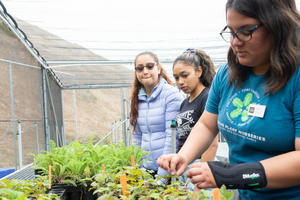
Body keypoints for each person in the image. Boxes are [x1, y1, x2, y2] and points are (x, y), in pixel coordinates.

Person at [157, 0, 300, 199]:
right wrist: (183, 156)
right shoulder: (227, 74)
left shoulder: (296, 78)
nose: (235, 42)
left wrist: (231, 174)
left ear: (278, 26)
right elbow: (207, 124)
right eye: (231, 32)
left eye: (246, 31)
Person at [130, 51, 183, 178]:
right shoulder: (136, 99)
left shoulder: (171, 95)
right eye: (140, 68)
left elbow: (172, 137)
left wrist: (162, 175)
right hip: (145, 170)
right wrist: (136, 168)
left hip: (167, 169)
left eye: (149, 66)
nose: (145, 71)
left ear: (158, 69)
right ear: (136, 72)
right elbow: (137, 137)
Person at [172, 48, 218, 191]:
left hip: (199, 166)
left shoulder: (207, 97)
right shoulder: (185, 103)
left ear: (199, 71)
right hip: (184, 164)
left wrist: (200, 182)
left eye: (185, 75)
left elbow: (211, 143)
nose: (180, 82)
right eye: (176, 78)